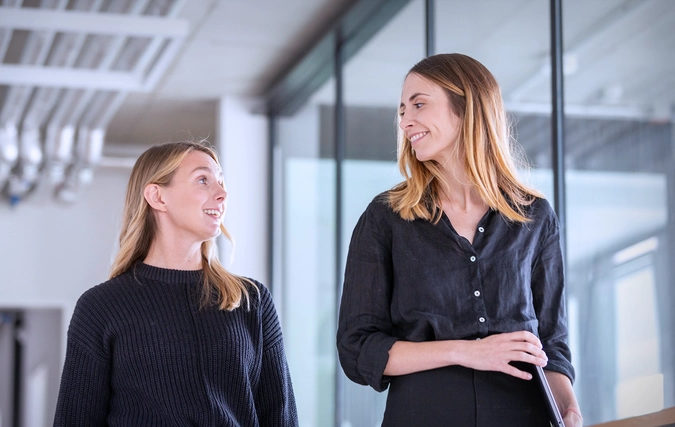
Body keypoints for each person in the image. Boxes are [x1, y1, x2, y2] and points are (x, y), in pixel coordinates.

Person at [336, 53, 582, 427]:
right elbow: (358, 349)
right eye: (402, 110)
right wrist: (467, 352)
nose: (405, 121)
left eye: (418, 104)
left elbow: (552, 345)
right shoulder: (385, 218)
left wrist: (569, 407)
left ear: (466, 109)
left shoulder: (535, 216)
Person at [54, 141, 298, 426]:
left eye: (221, 182)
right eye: (203, 180)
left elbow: (281, 416)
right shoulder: (100, 307)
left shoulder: (250, 301)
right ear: (157, 197)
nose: (222, 193)